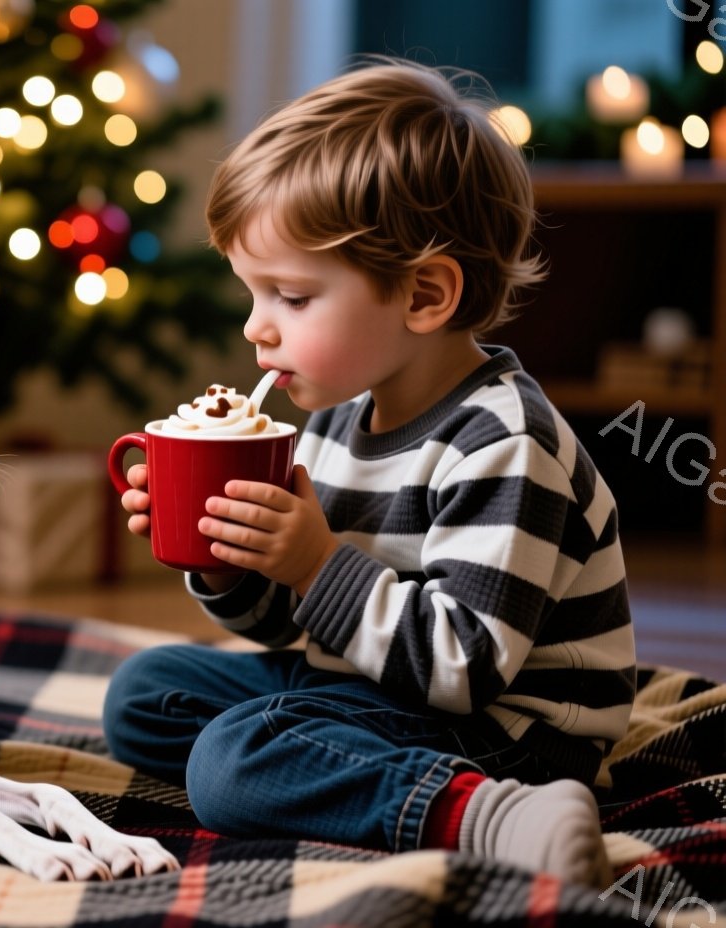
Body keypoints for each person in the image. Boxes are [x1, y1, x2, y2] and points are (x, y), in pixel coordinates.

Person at [103, 57, 635, 886]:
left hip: (511, 729)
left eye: (291, 296)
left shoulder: (503, 440)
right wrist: (231, 558)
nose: (256, 330)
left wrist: (315, 561)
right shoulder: (338, 418)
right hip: (377, 687)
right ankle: (330, 759)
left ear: (423, 295)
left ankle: (491, 813)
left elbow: (461, 668)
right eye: (252, 294)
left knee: (232, 761)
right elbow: (290, 624)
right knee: (145, 692)